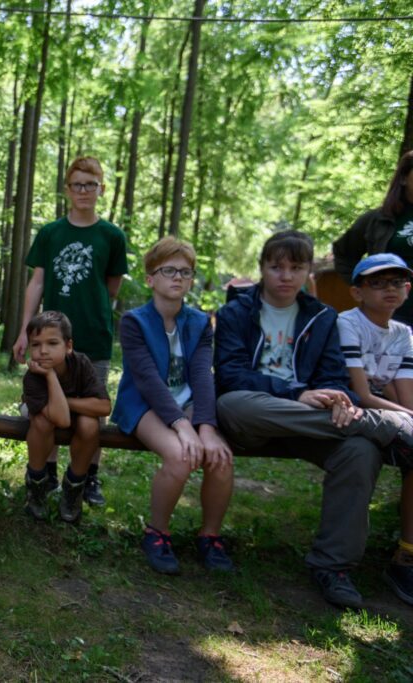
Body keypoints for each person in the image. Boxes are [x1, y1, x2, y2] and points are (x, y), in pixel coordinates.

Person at [215, 230, 413, 609]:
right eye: (276, 267)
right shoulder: (235, 313)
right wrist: (298, 395)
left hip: (310, 425)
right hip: (255, 416)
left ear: (308, 272)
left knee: (358, 450)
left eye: (295, 267)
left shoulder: (322, 317)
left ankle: (333, 567)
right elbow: (230, 375)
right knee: (235, 403)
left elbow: (334, 377)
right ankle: (384, 426)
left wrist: (337, 399)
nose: (285, 276)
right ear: (262, 270)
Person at [112, 237, 234, 575]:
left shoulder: (198, 323)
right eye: (168, 270)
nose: (177, 277)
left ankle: (210, 536)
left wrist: (205, 428)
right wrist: (182, 426)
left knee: (220, 457)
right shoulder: (134, 321)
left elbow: (201, 375)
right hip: (143, 405)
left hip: (189, 404)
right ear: (151, 278)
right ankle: (157, 532)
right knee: (180, 457)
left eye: (185, 272)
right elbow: (148, 380)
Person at [13, 156, 127, 507]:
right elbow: (37, 282)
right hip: (51, 336)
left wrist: (92, 311)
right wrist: (23, 331)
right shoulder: (51, 233)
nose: (83, 191)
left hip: (93, 336)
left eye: (90, 185)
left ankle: (87, 478)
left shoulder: (111, 236)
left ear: (101, 189)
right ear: (67, 189)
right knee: (46, 407)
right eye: (77, 184)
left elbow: (111, 287)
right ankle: (44, 474)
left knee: (92, 414)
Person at [336, 253, 413, 605]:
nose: (389, 290)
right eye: (377, 283)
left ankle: (406, 551)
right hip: (348, 407)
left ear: (408, 289)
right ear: (357, 292)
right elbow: (362, 394)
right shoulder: (347, 323)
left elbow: (404, 394)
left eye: (397, 282)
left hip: (386, 411)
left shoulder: (403, 334)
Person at [21, 311, 110, 526]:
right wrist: (50, 376)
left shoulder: (81, 364)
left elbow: (104, 406)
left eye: (52, 343)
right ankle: (37, 483)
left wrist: (66, 401)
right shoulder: (33, 376)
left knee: (90, 424)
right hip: (44, 413)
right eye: (35, 345)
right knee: (42, 422)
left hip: (68, 411)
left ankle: (74, 487)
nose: (43, 351)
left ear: (68, 346)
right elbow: (60, 420)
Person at [333, 150, 413, 326]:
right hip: (390, 316)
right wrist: (366, 287)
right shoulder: (377, 219)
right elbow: (343, 253)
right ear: (404, 178)